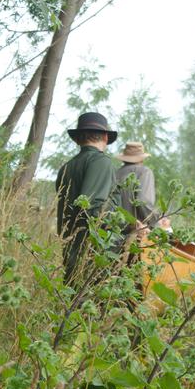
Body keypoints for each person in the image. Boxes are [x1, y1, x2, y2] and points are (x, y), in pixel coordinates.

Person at [55, 112, 119, 284]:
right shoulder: (101, 162)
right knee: (92, 306)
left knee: (73, 304)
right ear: (105, 137)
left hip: (71, 250)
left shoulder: (66, 168)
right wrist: (127, 224)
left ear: (77, 139)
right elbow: (94, 209)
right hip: (93, 253)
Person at [115, 142, 163, 231]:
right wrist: (156, 222)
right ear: (142, 158)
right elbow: (143, 202)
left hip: (115, 231)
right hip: (137, 232)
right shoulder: (144, 172)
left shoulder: (116, 173)